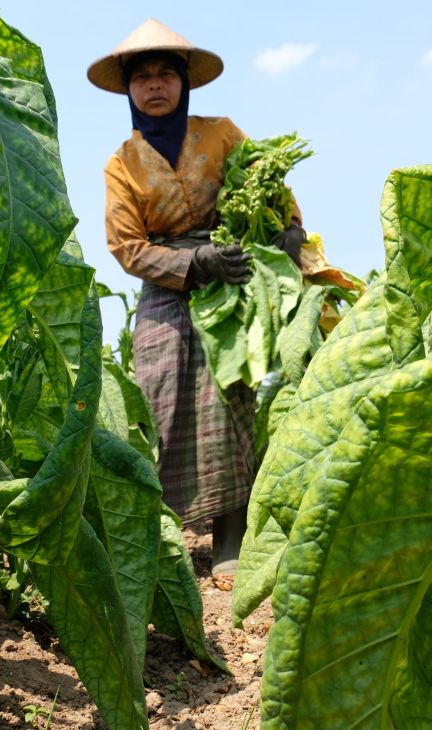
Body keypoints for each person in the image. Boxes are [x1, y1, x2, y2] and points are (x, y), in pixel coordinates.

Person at [88, 19, 304, 578]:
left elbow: (275, 193)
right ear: (129, 90)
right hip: (168, 285)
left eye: (165, 74)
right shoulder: (122, 163)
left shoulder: (222, 134)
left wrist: (288, 232)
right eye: (142, 77)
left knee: (232, 393)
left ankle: (231, 543)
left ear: (184, 82)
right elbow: (127, 247)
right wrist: (190, 263)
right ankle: (171, 544)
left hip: (231, 273)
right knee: (162, 395)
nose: (154, 85)